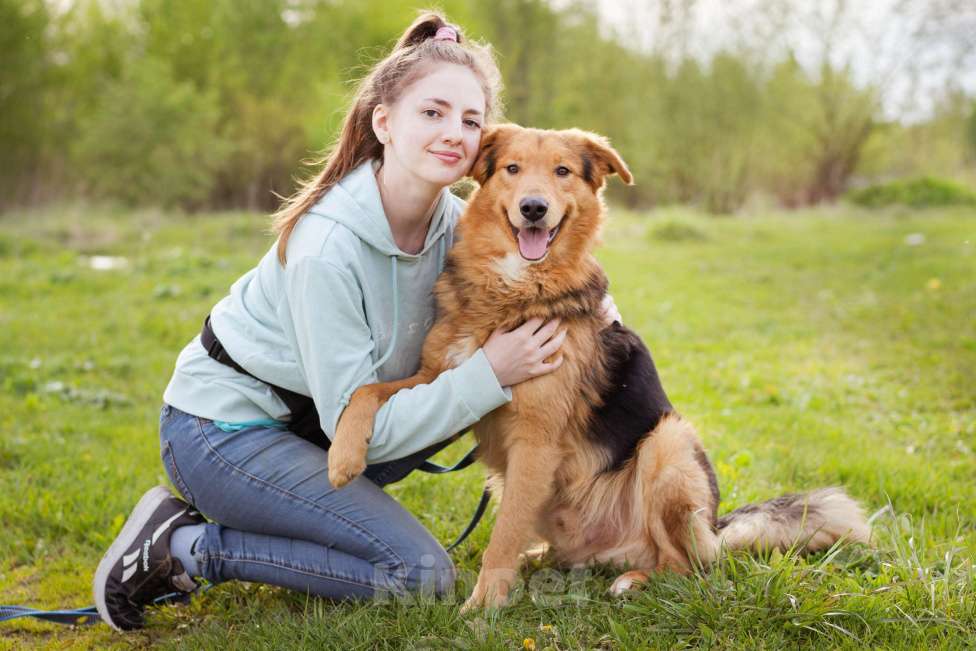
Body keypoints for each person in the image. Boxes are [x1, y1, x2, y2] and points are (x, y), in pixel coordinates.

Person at [93, 12, 620, 632]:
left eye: (470, 120)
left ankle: (300, 515)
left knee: (445, 402)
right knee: (418, 574)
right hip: (227, 431)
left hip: (318, 425)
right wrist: (490, 374)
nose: (454, 132)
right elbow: (368, 429)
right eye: (433, 112)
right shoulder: (327, 249)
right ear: (383, 121)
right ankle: (182, 548)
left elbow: (566, 290)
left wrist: (594, 315)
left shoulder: (463, 225)